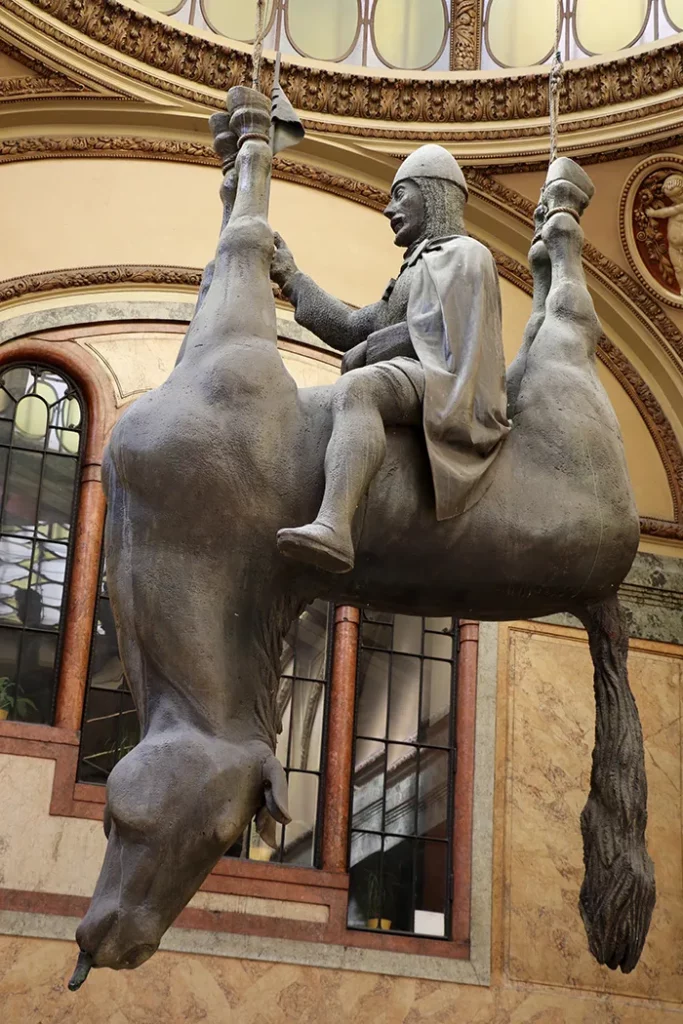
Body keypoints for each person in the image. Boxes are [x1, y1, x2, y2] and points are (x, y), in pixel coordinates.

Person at [271, 144, 511, 573]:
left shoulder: (467, 255)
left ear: (435, 194)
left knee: (360, 388)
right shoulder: (413, 270)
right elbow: (350, 326)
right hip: (418, 376)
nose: (388, 209)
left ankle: (334, 526)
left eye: (401, 194)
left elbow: (443, 334)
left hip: (449, 385)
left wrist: (371, 351)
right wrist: (292, 278)